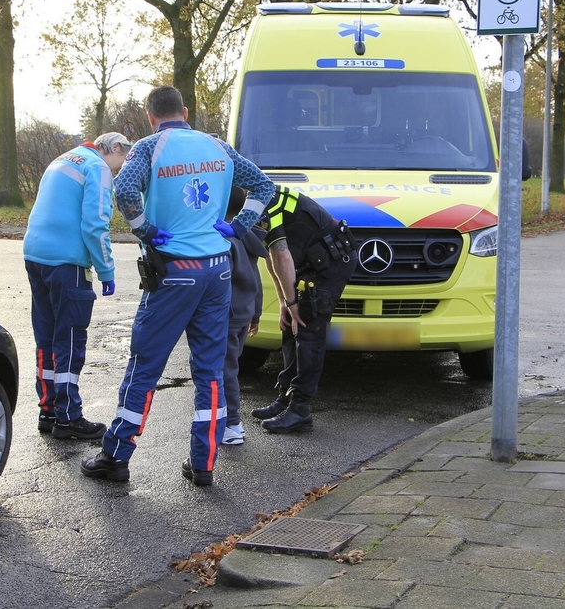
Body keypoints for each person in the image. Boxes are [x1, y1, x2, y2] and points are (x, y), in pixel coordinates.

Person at [80, 86, 275, 486]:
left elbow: (125, 189)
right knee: (211, 371)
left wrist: (144, 229)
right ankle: (203, 464)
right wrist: (238, 226)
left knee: (145, 366)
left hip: (174, 271)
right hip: (219, 270)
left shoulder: (150, 147)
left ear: (151, 116)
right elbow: (263, 187)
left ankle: (116, 456)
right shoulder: (218, 147)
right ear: (185, 111)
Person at [23, 131, 130, 440]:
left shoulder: (62, 159)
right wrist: (106, 270)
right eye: (119, 165)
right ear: (116, 149)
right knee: (69, 340)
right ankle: (69, 417)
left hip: (35, 254)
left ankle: (49, 409)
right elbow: (96, 223)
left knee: (46, 337)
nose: (117, 172)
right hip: (67, 261)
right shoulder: (96, 167)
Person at [251, 185, 358, 434]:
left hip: (332, 261)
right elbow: (271, 256)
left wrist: (293, 302)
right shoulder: (255, 198)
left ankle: (300, 409)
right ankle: (286, 397)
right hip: (310, 260)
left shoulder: (264, 201)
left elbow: (281, 256)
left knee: (308, 325)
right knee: (291, 323)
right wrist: (284, 303)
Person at [220, 187, 268, 446]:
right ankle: (230, 421)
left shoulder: (224, 238)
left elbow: (221, 281)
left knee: (225, 369)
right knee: (232, 367)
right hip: (244, 312)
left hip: (226, 314)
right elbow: (256, 279)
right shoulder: (246, 235)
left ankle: (231, 424)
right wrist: (256, 314)